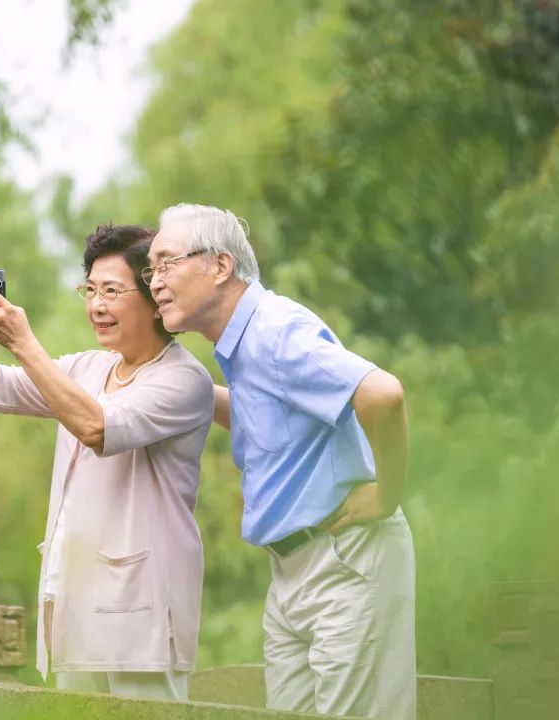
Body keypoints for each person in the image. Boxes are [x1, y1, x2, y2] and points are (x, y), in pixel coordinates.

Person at [145, 204, 416, 719]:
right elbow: (267, 418)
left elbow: (383, 395)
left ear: (220, 267)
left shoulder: (274, 331)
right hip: (291, 570)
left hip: (342, 558)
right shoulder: (240, 346)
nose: (155, 283)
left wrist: (387, 495)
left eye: (166, 264)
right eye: (150, 269)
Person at [0, 224, 216, 701]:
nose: (97, 305)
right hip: (73, 604)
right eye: (89, 290)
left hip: (143, 619)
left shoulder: (184, 381)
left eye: (112, 291)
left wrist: (25, 344)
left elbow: (98, 428)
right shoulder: (86, 368)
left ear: (155, 297)